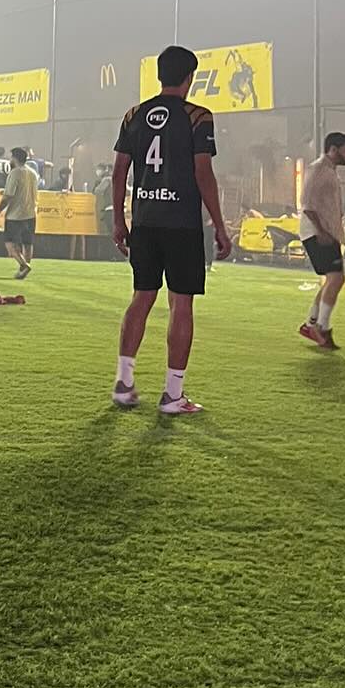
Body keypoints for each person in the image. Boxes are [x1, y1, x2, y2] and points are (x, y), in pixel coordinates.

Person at [110, 44, 231, 416]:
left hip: (145, 222)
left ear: (160, 75)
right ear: (190, 77)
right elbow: (202, 172)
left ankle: (124, 382)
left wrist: (119, 220)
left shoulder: (135, 114)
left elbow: (119, 172)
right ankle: (173, 395)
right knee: (181, 303)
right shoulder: (198, 116)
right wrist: (221, 226)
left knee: (141, 297)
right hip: (181, 224)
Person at [299, 133, 345, 349]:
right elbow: (307, 203)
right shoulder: (319, 170)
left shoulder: (329, 171)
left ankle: (310, 324)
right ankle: (320, 327)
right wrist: (321, 231)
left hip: (327, 233)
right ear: (333, 149)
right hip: (318, 233)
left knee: (332, 280)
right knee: (336, 279)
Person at [0, 145, 39, 279]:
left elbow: (8, 196)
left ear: (15, 158)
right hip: (31, 213)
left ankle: (23, 265)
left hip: (15, 215)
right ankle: (25, 269)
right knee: (27, 243)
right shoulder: (33, 173)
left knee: (9, 243)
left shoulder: (15, 172)